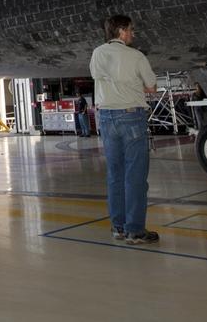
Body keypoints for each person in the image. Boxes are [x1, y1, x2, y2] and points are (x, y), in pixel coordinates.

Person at [90, 14, 159, 244]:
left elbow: (98, 76)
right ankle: (135, 230)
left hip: (107, 118)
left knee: (115, 175)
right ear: (121, 31)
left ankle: (118, 227)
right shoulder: (136, 56)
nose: (133, 34)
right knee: (136, 176)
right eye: (130, 30)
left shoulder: (98, 53)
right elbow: (151, 87)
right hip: (131, 117)